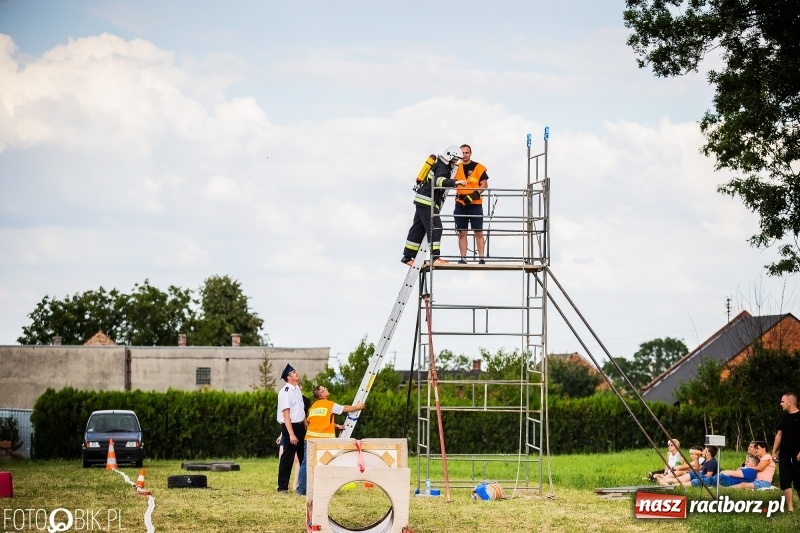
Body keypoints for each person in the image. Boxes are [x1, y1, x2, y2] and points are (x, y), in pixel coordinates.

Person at [401, 145, 467, 267]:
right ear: (449, 156)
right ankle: (435, 257)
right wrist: (455, 182)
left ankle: (407, 257)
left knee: (418, 229)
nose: (455, 162)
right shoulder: (442, 167)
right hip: (427, 202)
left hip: (423, 200)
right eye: (454, 159)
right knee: (436, 227)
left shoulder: (439, 165)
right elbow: (438, 181)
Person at [296, 385, 366, 496]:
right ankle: (326, 487)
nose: (327, 389)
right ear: (322, 394)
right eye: (325, 389)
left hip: (309, 439)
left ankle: (301, 490)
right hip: (323, 441)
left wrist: (336, 425)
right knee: (327, 462)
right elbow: (345, 409)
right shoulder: (329, 405)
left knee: (306, 464)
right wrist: (358, 407)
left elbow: (318, 422)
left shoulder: (313, 407)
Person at [453, 144, 489, 264]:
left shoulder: (478, 167)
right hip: (460, 204)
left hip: (475, 204)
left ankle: (481, 258)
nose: (464, 155)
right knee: (462, 232)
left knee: (478, 231)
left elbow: (484, 184)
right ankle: (463, 258)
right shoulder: (455, 168)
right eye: (462, 153)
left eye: (466, 153)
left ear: (470, 153)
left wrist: (474, 194)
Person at [276, 364, 306, 493]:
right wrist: (291, 434)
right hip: (290, 427)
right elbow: (286, 415)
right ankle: (282, 487)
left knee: (303, 457)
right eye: (294, 372)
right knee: (287, 458)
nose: (297, 373)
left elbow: (301, 411)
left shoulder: (297, 390)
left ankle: (304, 485)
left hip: (300, 426)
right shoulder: (285, 392)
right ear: (289, 377)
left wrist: (306, 426)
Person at [772, 392, 800, 511]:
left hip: (798, 455)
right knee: (785, 481)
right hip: (784, 455)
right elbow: (779, 435)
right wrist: (774, 452)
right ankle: (790, 508)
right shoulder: (784, 417)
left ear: (790, 402)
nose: (780, 404)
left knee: (799, 482)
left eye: (782, 401)